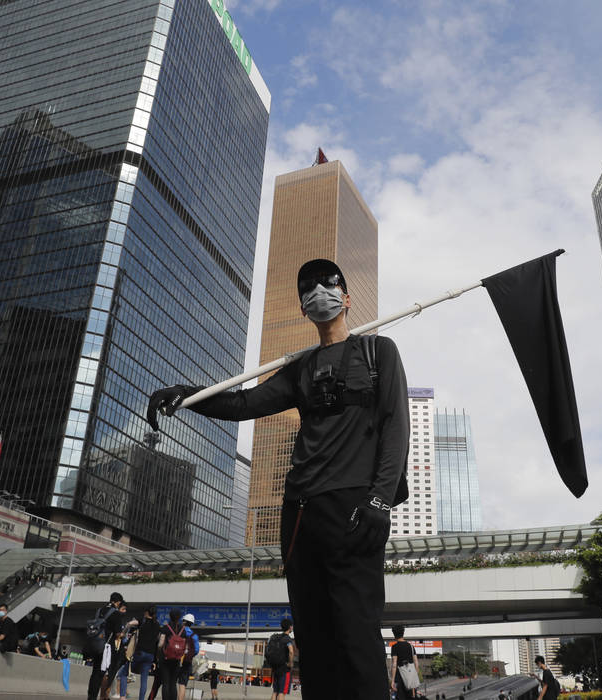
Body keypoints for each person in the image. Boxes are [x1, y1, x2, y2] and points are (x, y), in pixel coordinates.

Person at [148, 259, 409, 700]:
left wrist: (380, 500)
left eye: (329, 283)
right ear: (304, 308)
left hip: (354, 509)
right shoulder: (299, 369)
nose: (318, 290)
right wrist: (188, 395)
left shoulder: (378, 352)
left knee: (357, 632)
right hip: (300, 515)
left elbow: (396, 426)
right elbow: (243, 403)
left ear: (346, 298)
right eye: (307, 286)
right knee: (314, 636)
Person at [88, 592, 126, 700]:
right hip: (106, 647)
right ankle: (96, 696)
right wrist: (124, 634)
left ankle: (91, 695)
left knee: (94, 671)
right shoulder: (116, 614)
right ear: (118, 602)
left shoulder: (99, 610)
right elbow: (118, 634)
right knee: (101, 673)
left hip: (95, 643)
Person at [133, 606, 160, 700]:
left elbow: (131, 623)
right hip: (150, 655)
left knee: (124, 672)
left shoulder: (143, 621)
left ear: (147, 612)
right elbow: (157, 642)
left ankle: (122, 696)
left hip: (140, 652)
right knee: (144, 680)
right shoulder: (157, 625)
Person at [390, 625, 418, 699]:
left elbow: (394, 664)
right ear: (403, 633)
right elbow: (416, 663)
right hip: (411, 677)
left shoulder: (394, 647)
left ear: (394, 634)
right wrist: (415, 676)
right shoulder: (411, 646)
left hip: (400, 678)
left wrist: (392, 681)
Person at [269, 618, 294, 700]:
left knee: (275, 691)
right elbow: (291, 651)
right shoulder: (287, 639)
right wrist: (290, 663)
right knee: (282, 692)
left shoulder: (276, 638)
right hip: (284, 669)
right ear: (290, 627)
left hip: (275, 668)